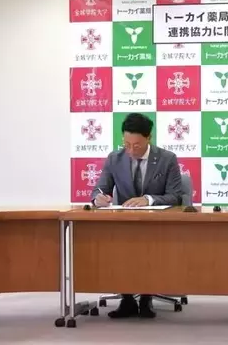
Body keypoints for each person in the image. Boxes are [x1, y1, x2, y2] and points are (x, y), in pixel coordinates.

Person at [92, 113, 183, 319]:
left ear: (148, 138)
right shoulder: (114, 159)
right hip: (125, 224)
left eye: (137, 145)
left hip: (156, 224)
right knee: (116, 247)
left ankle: (146, 297)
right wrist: (99, 198)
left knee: (150, 249)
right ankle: (127, 299)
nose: (131, 150)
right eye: (127, 145)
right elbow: (99, 189)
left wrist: (148, 199)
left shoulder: (167, 159)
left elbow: (175, 196)